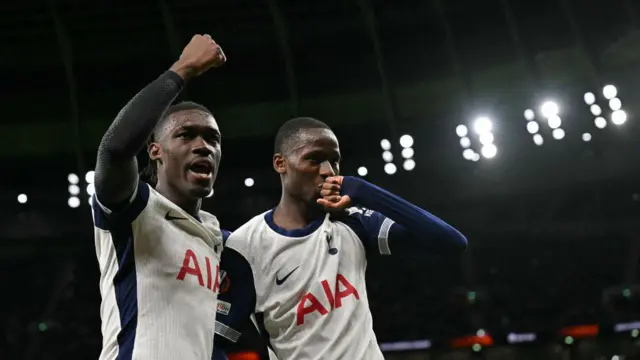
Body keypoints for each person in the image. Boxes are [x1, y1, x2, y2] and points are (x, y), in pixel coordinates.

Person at [213, 117, 468, 359]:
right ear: (281, 163)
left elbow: (451, 242)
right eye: (314, 160)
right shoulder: (245, 245)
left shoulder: (354, 220)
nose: (328, 171)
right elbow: (215, 344)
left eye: (334, 161)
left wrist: (363, 190)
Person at [91, 34, 231, 360]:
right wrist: (184, 68)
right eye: (186, 135)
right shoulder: (134, 210)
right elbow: (114, 151)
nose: (203, 146)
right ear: (155, 151)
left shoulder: (219, 238)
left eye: (213, 139)